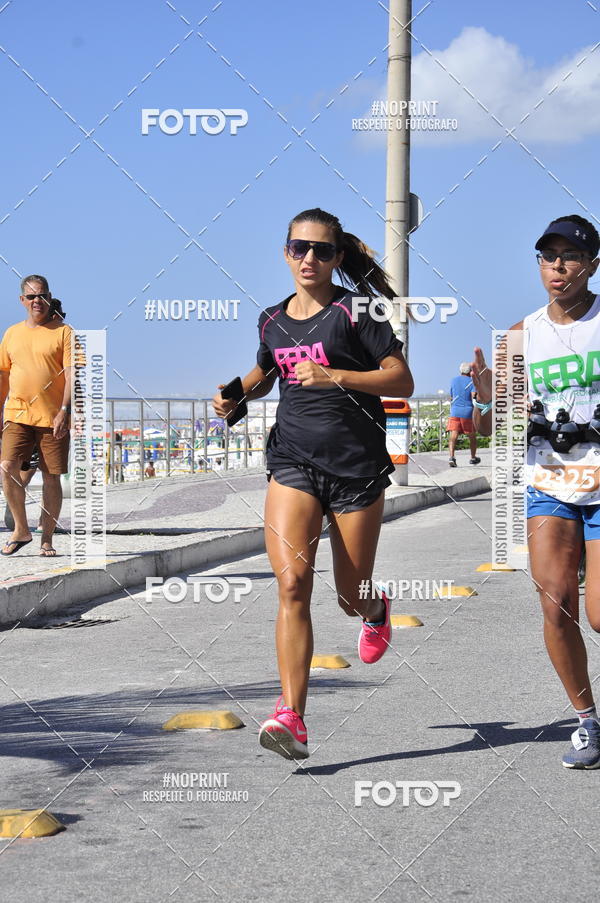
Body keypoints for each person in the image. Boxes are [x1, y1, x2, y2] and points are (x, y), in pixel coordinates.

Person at [213, 207, 413, 760]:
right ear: (285, 251)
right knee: (293, 584)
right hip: (294, 460)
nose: (309, 259)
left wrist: (337, 375)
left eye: (322, 251)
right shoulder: (272, 319)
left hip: (356, 468)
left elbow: (401, 378)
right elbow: (267, 370)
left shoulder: (358, 312)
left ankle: (376, 611)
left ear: (337, 257)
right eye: (299, 248)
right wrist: (234, 393)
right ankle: (291, 717)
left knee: (350, 596)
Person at [477, 214, 600, 769]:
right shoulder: (521, 335)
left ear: (592, 264)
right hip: (548, 480)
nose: (558, 266)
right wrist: (489, 400)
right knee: (556, 603)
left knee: (599, 614)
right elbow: (493, 432)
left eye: (570, 256)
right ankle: (587, 723)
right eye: (548, 256)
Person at [0, 278, 72, 556]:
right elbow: (4, 374)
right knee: (7, 467)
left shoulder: (65, 332)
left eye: (41, 296)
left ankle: (47, 539)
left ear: (50, 298)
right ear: (22, 300)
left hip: (53, 417)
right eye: (31, 297)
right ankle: (21, 528)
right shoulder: (11, 333)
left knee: (51, 477)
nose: (36, 301)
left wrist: (67, 411)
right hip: (17, 414)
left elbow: (72, 376)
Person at [447, 362, 480, 467]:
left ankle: (452, 457)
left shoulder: (453, 380)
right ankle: (473, 458)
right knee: (472, 436)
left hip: (455, 411)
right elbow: (473, 396)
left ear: (460, 371)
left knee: (454, 435)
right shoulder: (472, 382)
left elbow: (451, 396)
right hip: (467, 412)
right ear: (470, 372)